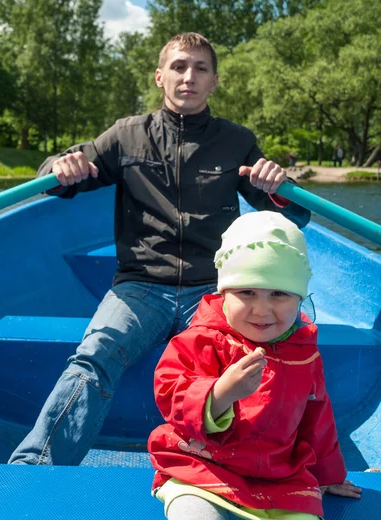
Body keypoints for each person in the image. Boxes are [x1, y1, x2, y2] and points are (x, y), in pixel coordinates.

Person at [8, 32, 310, 466]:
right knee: (95, 355)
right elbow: (54, 180)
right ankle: (36, 469)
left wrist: (278, 188)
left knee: (268, 357)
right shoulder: (126, 135)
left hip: (214, 289)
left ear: (214, 82)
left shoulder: (236, 141)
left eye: (200, 68)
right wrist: (59, 167)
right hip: (140, 288)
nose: (189, 76)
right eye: (179, 66)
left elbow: (296, 212)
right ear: (159, 76)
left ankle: (271, 466)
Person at [149, 211, 361, 520]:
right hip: (204, 467)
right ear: (224, 294)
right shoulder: (202, 340)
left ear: (300, 297)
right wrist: (219, 393)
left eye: (278, 294)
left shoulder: (304, 354)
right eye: (247, 292)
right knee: (194, 513)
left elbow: (318, 420)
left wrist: (329, 475)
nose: (261, 310)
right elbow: (170, 391)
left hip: (280, 478)